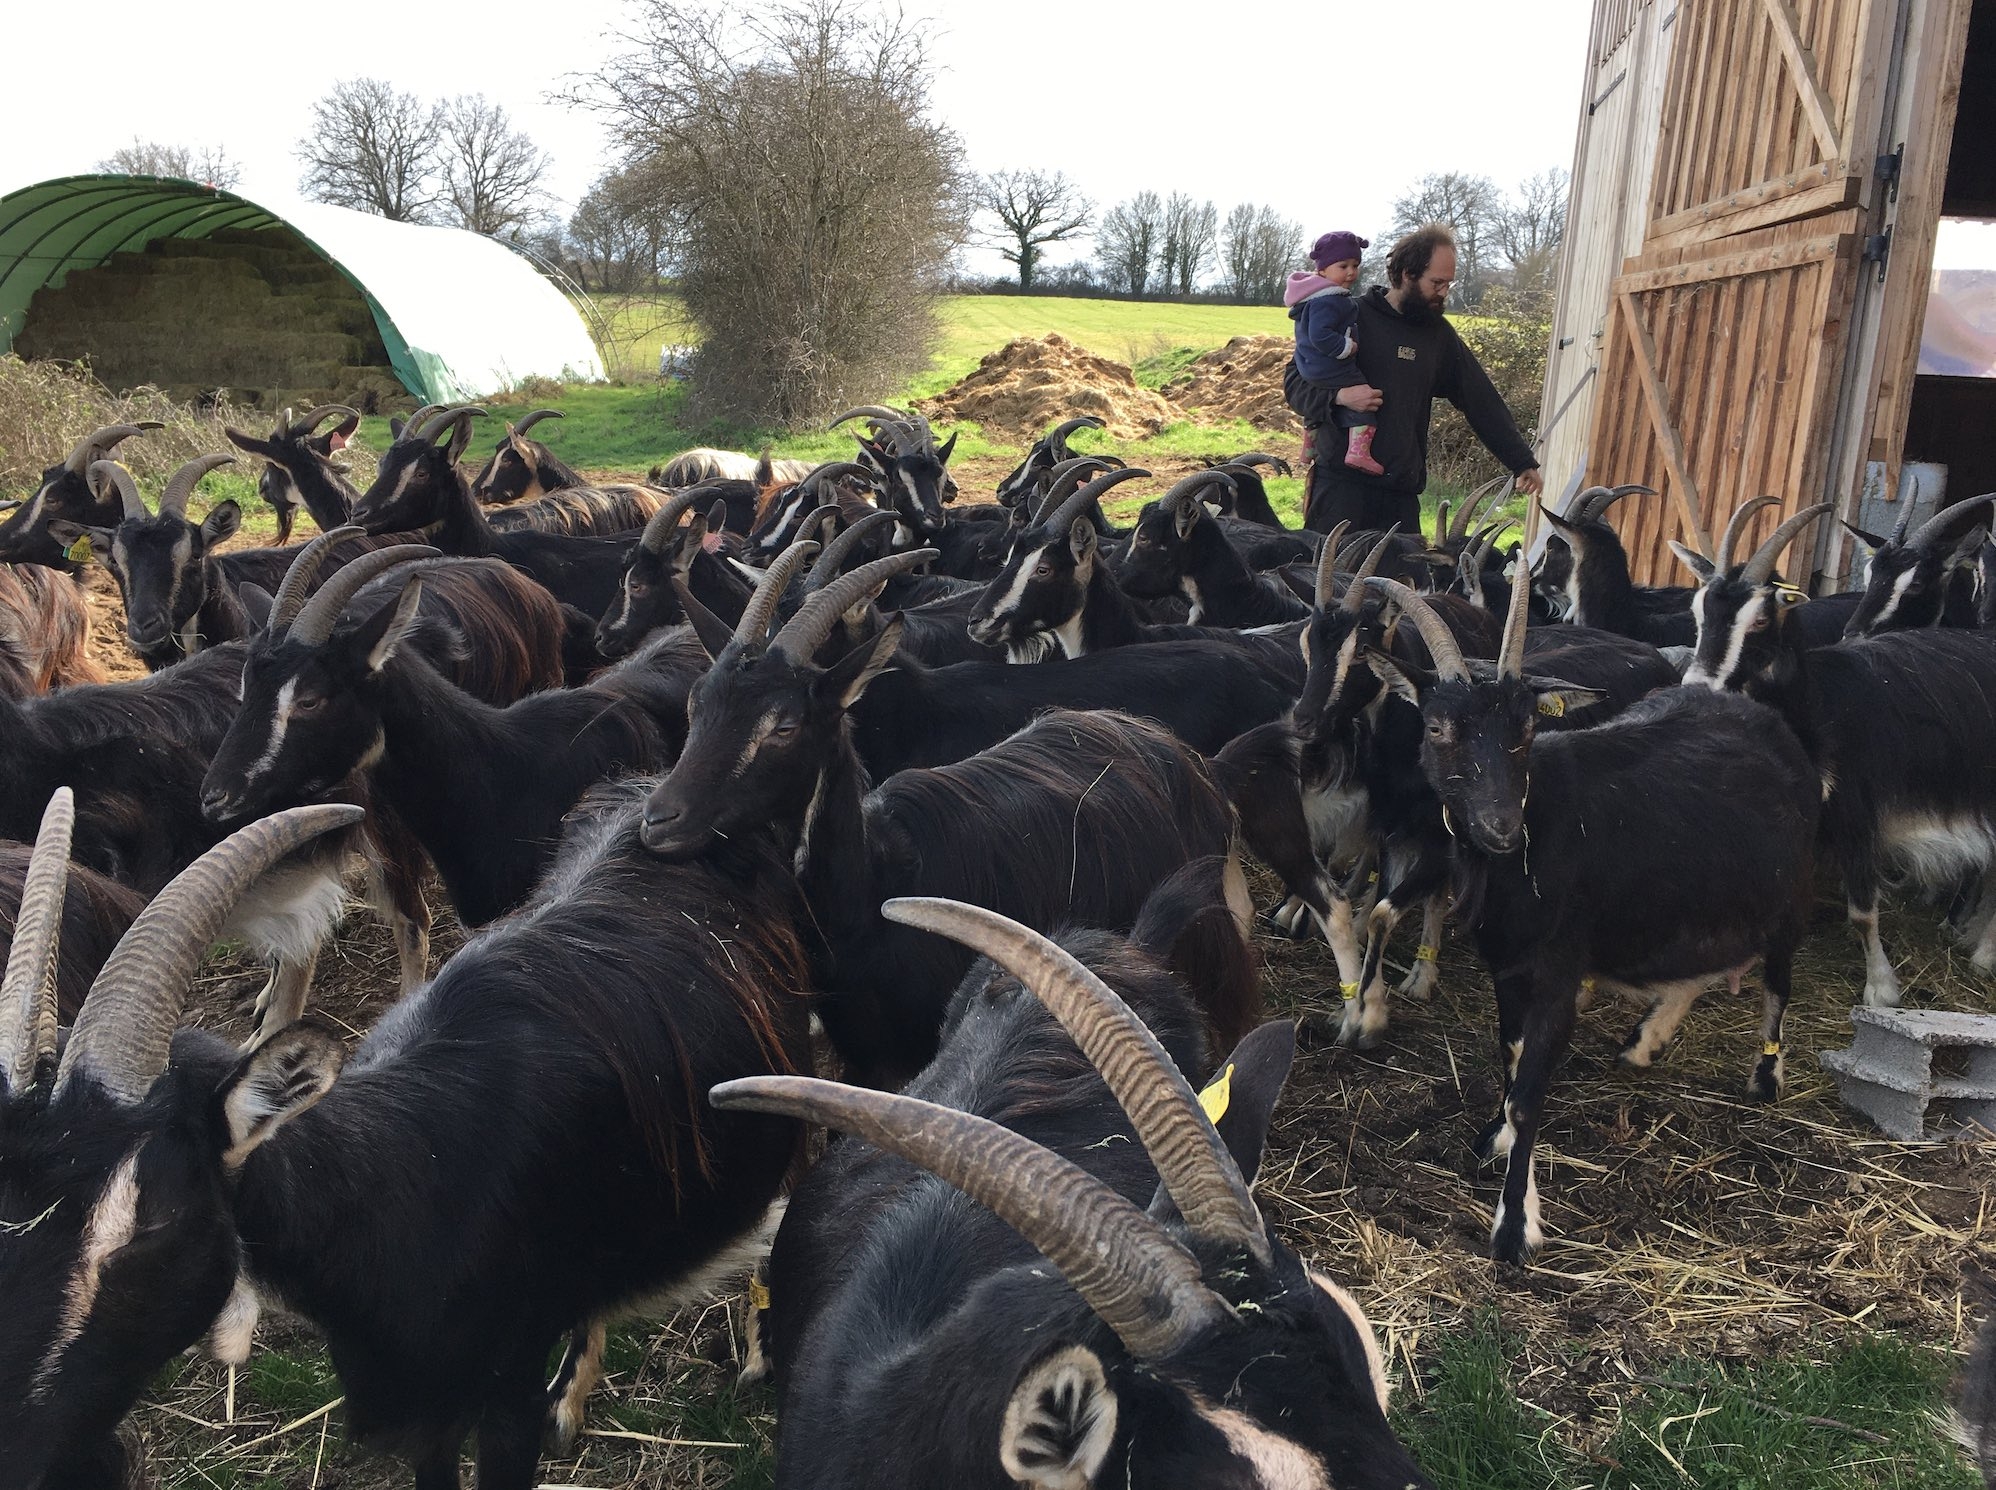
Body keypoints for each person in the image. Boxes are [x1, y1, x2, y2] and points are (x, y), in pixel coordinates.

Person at [1283, 223, 1544, 535]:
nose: (1443, 292)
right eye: (1436, 283)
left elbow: (1481, 400)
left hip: (1400, 500)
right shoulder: (1349, 316)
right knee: (1333, 586)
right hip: (1340, 493)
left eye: (1449, 284)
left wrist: (1521, 461)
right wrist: (1338, 398)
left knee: (1409, 584)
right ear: (1407, 274)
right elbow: (1295, 385)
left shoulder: (1438, 337)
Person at [1285, 230, 1382, 475]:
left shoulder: (1313, 298)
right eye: (1343, 265)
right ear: (1322, 270)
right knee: (1364, 397)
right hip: (1329, 364)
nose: (1351, 272)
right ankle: (1358, 452)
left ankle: (1309, 447)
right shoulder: (1328, 300)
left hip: (1309, 366)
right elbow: (1320, 334)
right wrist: (1344, 347)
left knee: (1318, 412)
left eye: (1355, 265)